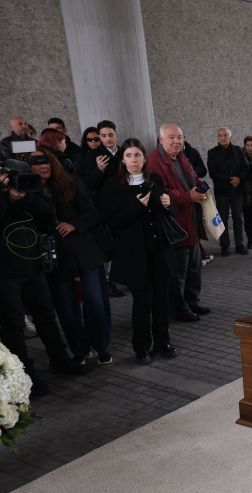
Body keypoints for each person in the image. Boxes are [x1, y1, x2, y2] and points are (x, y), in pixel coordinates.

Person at [1, 151, 89, 395]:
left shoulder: (28, 186)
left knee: (46, 315)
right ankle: (24, 375)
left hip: (32, 263)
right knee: (13, 324)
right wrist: (6, 197)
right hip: (4, 271)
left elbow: (46, 217)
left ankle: (59, 360)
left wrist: (22, 197)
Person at [99, 138, 178, 364]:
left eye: (137, 155)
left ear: (144, 158)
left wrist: (168, 205)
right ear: (122, 160)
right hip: (134, 255)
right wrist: (137, 207)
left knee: (161, 300)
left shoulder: (155, 180)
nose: (134, 160)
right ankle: (141, 347)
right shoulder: (113, 186)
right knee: (142, 303)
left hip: (158, 251)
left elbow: (167, 212)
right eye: (129, 156)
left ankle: (163, 342)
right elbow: (111, 222)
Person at [34, 146, 112, 366]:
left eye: (45, 160)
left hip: (85, 251)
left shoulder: (71, 183)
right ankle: (79, 349)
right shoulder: (26, 192)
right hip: (53, 257)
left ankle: (101, 346)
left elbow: (92, 213)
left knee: (96, 302)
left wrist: (74, 224)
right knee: (66, 307)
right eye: (36, 162)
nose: (43, 166)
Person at [148, 123, 211, 321]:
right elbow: (161, 194)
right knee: (177, 272)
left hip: (191, 221)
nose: (177, 141)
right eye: (171, 137)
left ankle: (192, 302)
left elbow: (193, 177)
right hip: (175, 225)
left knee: (194, 267)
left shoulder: (182, 156)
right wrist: (187, 196)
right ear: (161, 139)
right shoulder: (154, 162)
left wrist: (201, 185)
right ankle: (178, 309)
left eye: (180, 137)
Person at [207, 127, 249, 256]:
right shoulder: (212, 152)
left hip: (238, 191)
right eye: (220, 135)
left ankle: (239, 244)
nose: (223, 137)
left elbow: (246, 167)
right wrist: (230, 180)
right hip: (222, 192)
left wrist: (239, 178)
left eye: (225, 135)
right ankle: (224, 246)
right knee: (223, 219)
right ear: (217, 138)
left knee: (238, 218)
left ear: (230, 137)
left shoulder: (238, 150)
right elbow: (213, 172)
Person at [80, 119, 121, 194]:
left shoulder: (126, 152)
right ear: (100, 137)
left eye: (111, 135)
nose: (108, 139)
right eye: (104, 136)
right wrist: (99, 170)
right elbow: (88, 184)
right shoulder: (91, 155)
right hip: (105, 196)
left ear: (116, 135)